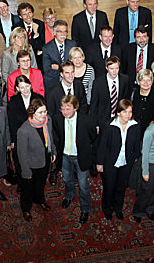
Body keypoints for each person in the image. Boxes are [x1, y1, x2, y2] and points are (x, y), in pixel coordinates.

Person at [52, 95, 97, 224]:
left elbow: (93, 136)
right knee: (67, 179)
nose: (65, 112)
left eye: (68, 109)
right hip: (65, 155)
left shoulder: (86, 120)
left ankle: (85, 208)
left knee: (83, 185)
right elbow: (57, 136)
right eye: (62, 109)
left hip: (80, 157)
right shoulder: (57, 119)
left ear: (75, 107)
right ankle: (70, 195)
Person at [97, 99, 140, 220]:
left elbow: (137, 143)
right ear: (118, 112)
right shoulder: (109, 125)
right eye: (125, 112)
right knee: (109, 187)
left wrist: (134, 156)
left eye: (130, 112)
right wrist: (100, 162)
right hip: (110, 162)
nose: (128, 115)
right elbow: (102, 145)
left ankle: (118, 208)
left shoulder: (135, 125)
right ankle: (107, 208)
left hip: (126, 162)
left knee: (121, 187)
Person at [17, 98, 56, 222]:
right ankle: (26, 208)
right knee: (27, 189)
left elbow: (51, 137)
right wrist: (26, 171)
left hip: (45, 160)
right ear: (32, 112)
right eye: (40, 112)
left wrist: (53, 151)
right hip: (31, 164)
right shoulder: (23, 130)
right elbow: (21, 154)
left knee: (40, 184)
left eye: (45, 111)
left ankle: (40, 200)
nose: (43, 115)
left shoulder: (47, 121)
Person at [8, 76, 44, 189]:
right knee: (21, 161)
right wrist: (13, 140)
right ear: (17, 88)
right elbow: (11, 122)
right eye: (22, 87)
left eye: (27, 86)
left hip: (37, 137)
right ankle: (22, 183)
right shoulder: (14, 101)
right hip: (21, 137)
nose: (25, 90)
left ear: (31, 85)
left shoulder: (39, 98)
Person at [90, 56, 130, 130]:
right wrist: (95, 123)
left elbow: (126, 100)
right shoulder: (98, 82)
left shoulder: (125, 80)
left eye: (117, 68)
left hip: (120, 119)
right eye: (111, 69)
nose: (114, 71)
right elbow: (94, 104)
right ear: (106, 68)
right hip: (103, 120)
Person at [42, 20, 76, 91]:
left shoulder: (72, 45)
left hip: (70, 81)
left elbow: (75, 64)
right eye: (60, 31)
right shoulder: (46, 48)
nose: (63, 34)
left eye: (65, 31)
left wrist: (59, 67)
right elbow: (47, 70)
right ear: (54, 32)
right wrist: (65, 70)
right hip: (53, 83)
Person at [13, 2, 45, 70]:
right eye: (24, 14)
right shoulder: (16, 27)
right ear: (20, 16)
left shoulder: (40, 24)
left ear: (33, 13)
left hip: (37, 60)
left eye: (29, 13)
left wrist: (36, 33)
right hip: (23, 58)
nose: (28, 16)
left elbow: (41, 46)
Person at [131, 69, 154, 136]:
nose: (146, 83)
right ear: (139, 81)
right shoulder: (133, 93)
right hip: (134, 129)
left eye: (148, 80)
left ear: (152, 81)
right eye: (143, 80)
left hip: (151, 130)